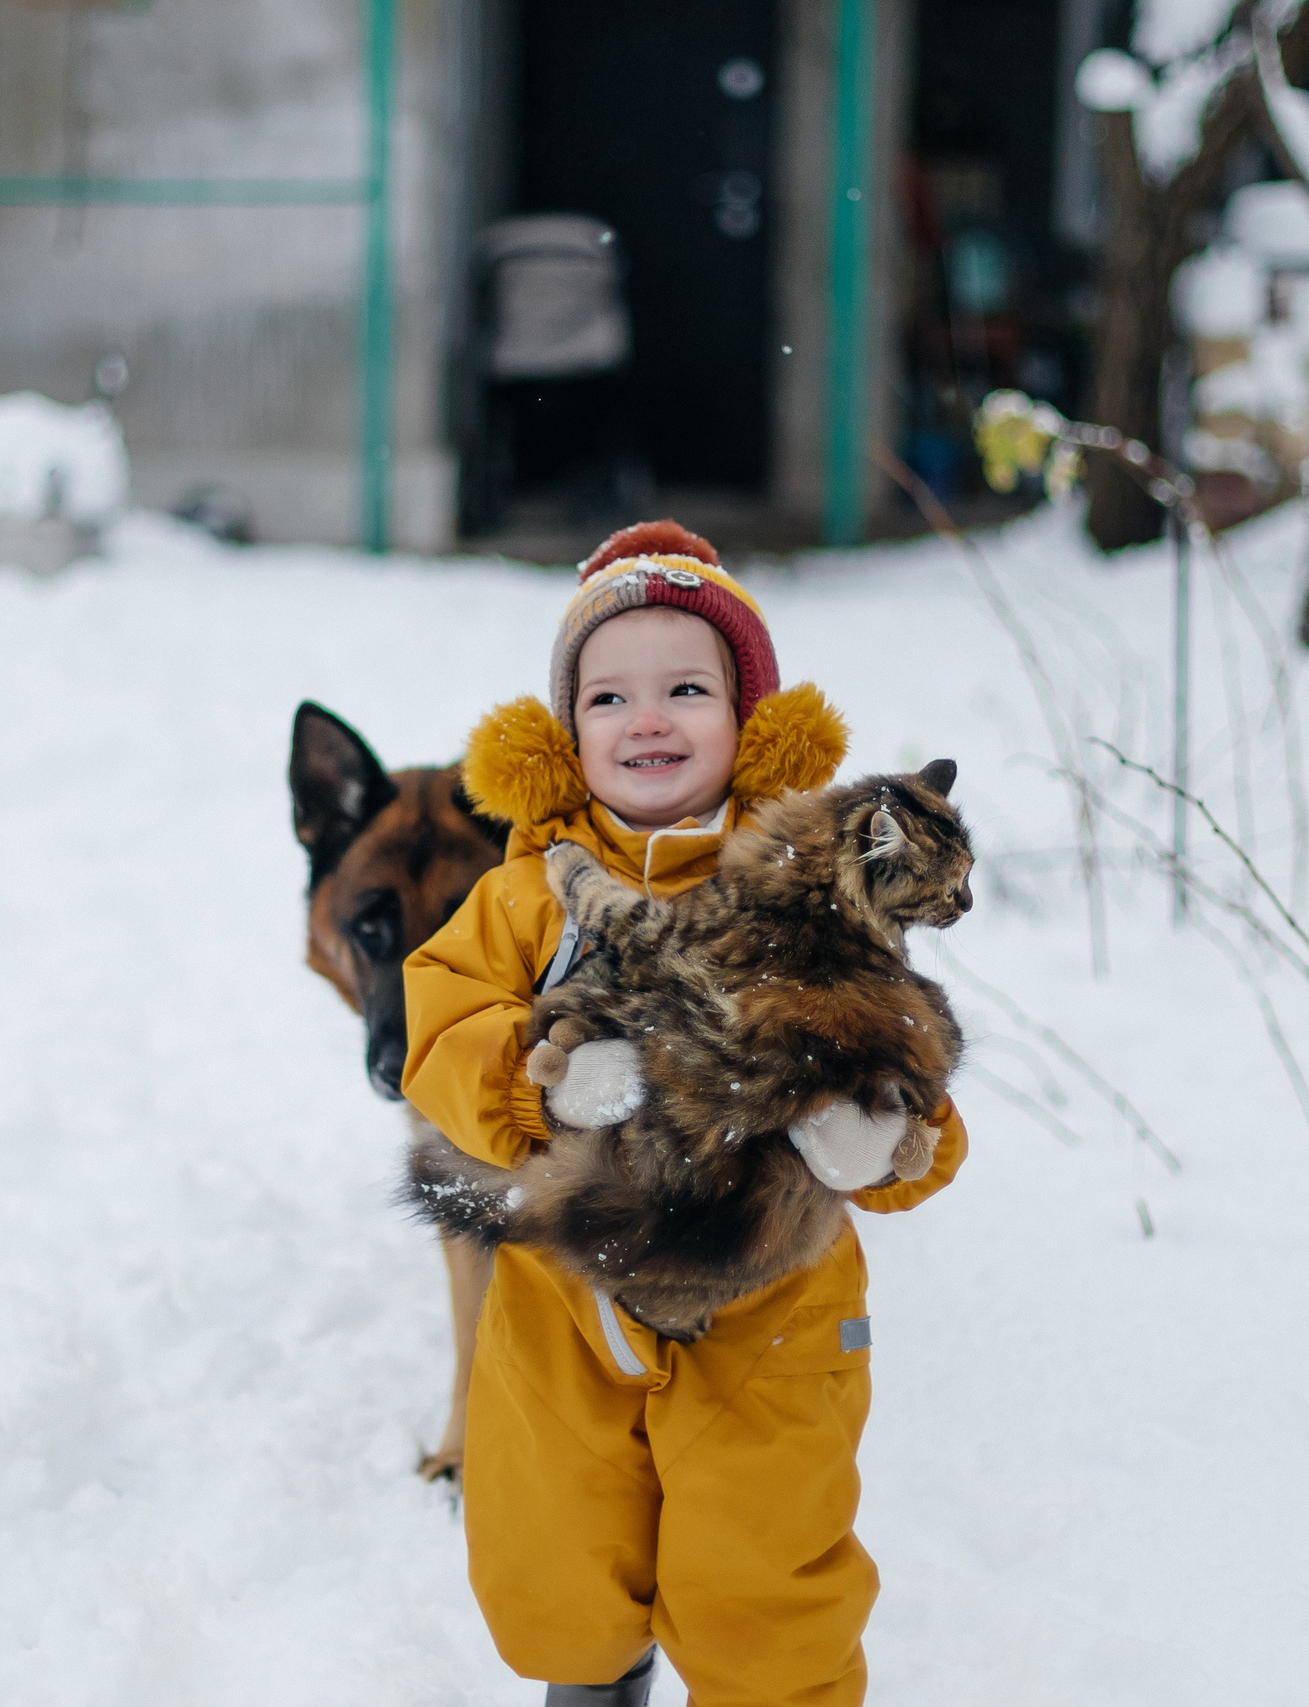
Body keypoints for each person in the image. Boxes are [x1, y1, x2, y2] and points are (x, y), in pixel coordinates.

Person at [402, 519, 969, 1706]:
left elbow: (906, 1047)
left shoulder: (821, 890)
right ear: (564, 736)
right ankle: (592, 1683)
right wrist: (533, 1082)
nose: (646, 718)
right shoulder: (522, 900)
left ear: (748, 722)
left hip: (776, 1304)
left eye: (685, 689)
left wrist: (889, 1142)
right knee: (551, 1553)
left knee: (766, 1571)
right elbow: (437, 1033)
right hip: (568, 1291)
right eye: (608, 696)